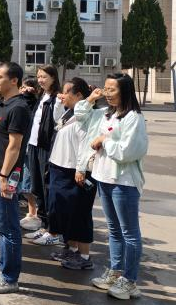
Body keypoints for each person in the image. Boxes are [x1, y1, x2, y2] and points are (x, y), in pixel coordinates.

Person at [75, 74, 148, 300]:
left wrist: (104, 141)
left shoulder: (134, 118)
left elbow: (129, 151)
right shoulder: (109, 114)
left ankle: (130, 281)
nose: (107, 93)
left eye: (111, 89)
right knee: (114, 230)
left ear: (125, 91)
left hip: (123, 183)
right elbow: (80, 114)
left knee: (130, 233)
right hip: (104, 178)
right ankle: (116, 272)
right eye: (105, 89)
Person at [0, 62, 32, 294]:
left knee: (9, 228)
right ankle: (3, 268)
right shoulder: (4, 103)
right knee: (0, 224)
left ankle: (10, 278)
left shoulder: (18, 107)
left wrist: (3, 175)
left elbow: (14, 146)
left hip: (5, 176)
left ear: (14, 81)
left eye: (0, 77)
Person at [45, 78, 97, 271]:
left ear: (79, 95)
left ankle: (84, 256)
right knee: (63, 212)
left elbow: (85, 145)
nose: (62, 95)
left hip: (75, 171)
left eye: (67, 92)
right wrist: (60, 102)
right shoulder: (69, 112)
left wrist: (81, 169)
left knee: (79, 213)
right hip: (59, 167)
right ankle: (72, 249)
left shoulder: (87, 116)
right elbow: (56, 120)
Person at [22, 65, 65, 243]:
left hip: (46, 148)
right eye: (39, 76)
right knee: (37, 188)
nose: (40, 80)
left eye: (44, 76)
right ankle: (43, 226)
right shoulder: (41, 96)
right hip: (33, 145)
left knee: (47, 189)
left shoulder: (58, 97)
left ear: (53, 78)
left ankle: (53, 231)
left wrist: (59, 103)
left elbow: (57, 120)